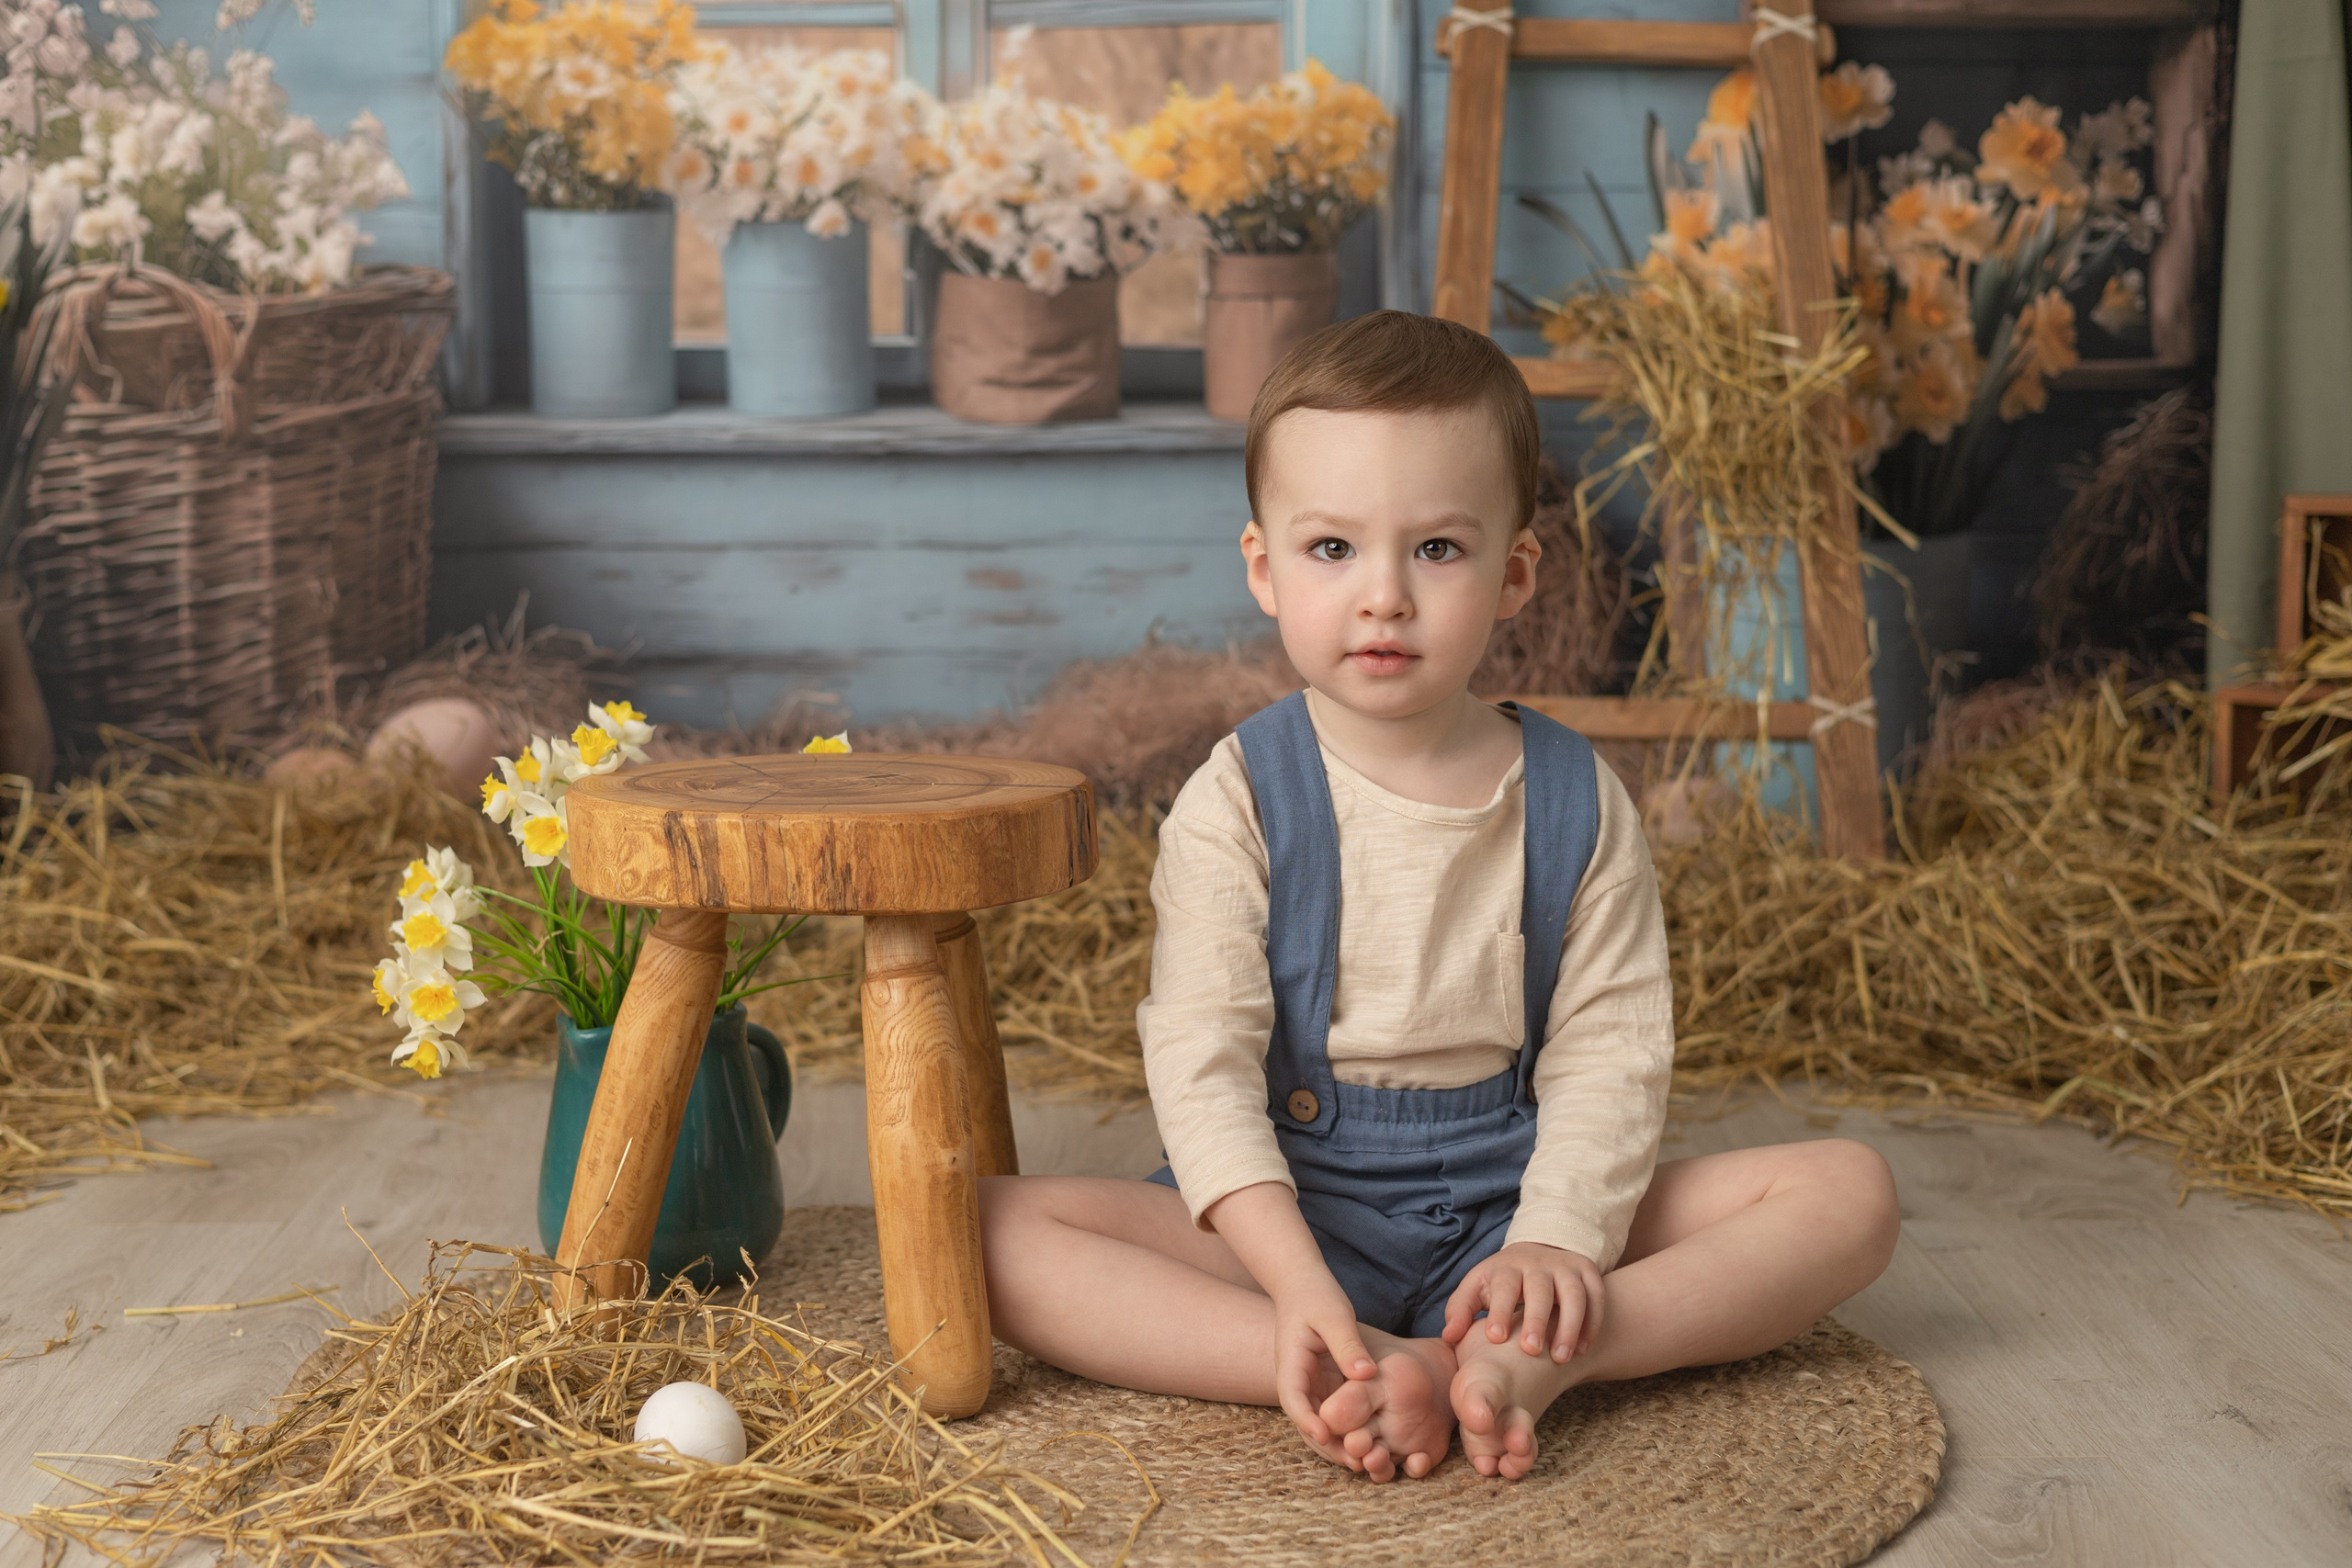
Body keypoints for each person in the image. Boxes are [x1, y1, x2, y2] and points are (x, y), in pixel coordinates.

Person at [977, 310, 1901, 1483]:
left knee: (1846, 1193)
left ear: (1515, 572)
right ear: (1263, 567)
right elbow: (1200, 1063)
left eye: (1437, 551)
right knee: (994, 1234)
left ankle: (1537, 1361)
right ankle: (1342, 1357)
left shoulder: (1575, 796)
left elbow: (1611, 1052)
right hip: (1299, 1206)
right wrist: (1294, 1277)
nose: (1383, 598)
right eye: (1332, 551)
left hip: (1516, 1198)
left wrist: (1560, 1243)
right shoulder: (1238, 798)